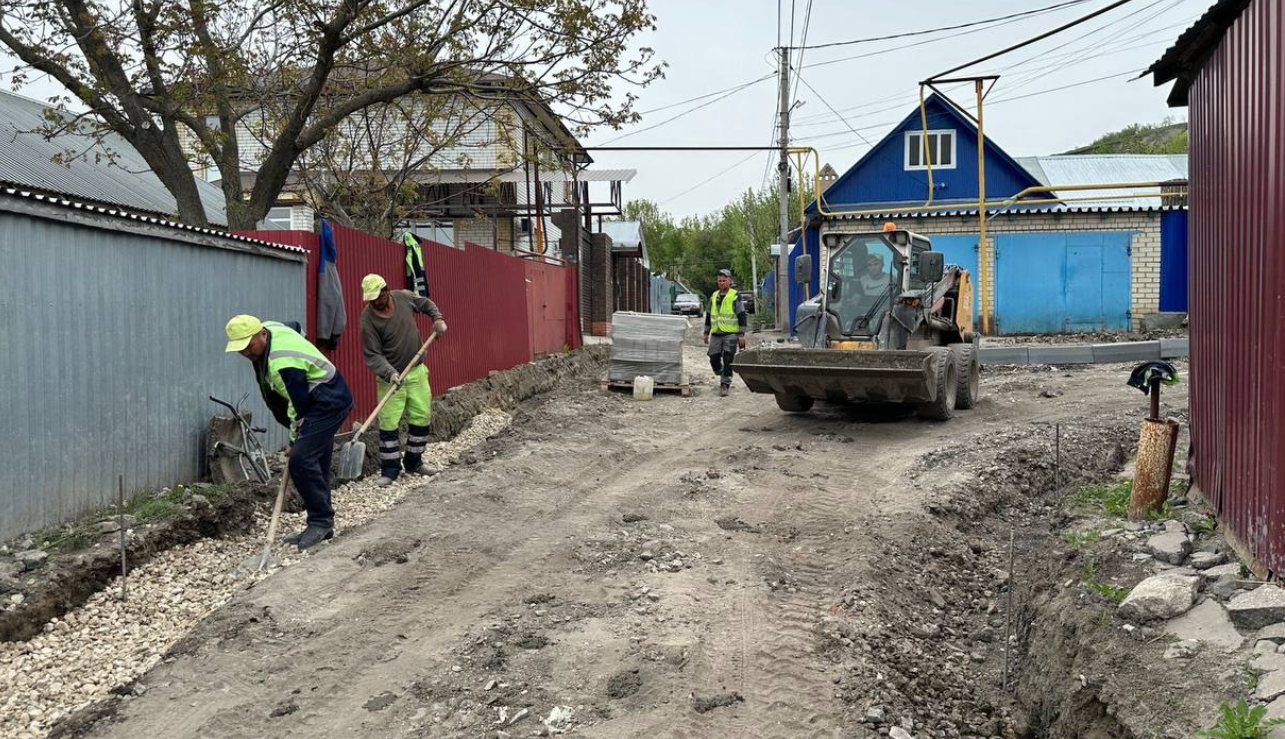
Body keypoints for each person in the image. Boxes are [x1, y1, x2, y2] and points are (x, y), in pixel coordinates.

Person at [225, 315, 353, 550]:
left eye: (249, 346)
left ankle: (320, 521)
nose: (246, 353)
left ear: (262, 334)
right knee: (316, 458)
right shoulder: (271, 328)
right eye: (240, 349)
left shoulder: (282, 364)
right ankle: (323, 523)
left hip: (327, 402)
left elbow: (298, 407)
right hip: (318, 399)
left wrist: (294, 441)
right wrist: (304, 348)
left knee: (301, 459)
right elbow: (295, 327)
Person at [359, 274, 447, 486]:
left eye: (378, 297)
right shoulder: (367, 320)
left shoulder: (403, 297)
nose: (375, 302)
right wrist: (390, 372)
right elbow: (373, 355)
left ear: (386, 290)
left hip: (416, 371)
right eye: (371, 299)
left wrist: (437, 318)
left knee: (421, 416)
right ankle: (390, 469)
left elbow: (425, 303)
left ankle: (414, 462)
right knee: (389, 423)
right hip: (390, 378)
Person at [703, 268, 747, 397]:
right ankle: (720, 371)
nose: (721, 283)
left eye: (724, 280)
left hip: (731, 334)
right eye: (719, 281)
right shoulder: (714, 296)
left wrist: (741, 335)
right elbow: (709, 315)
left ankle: (725, 384)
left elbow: (742, 315)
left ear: (729, 281)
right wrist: (706, 333)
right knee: (714, 358)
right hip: (716, 334)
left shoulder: (735, 296)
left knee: (728, 359)